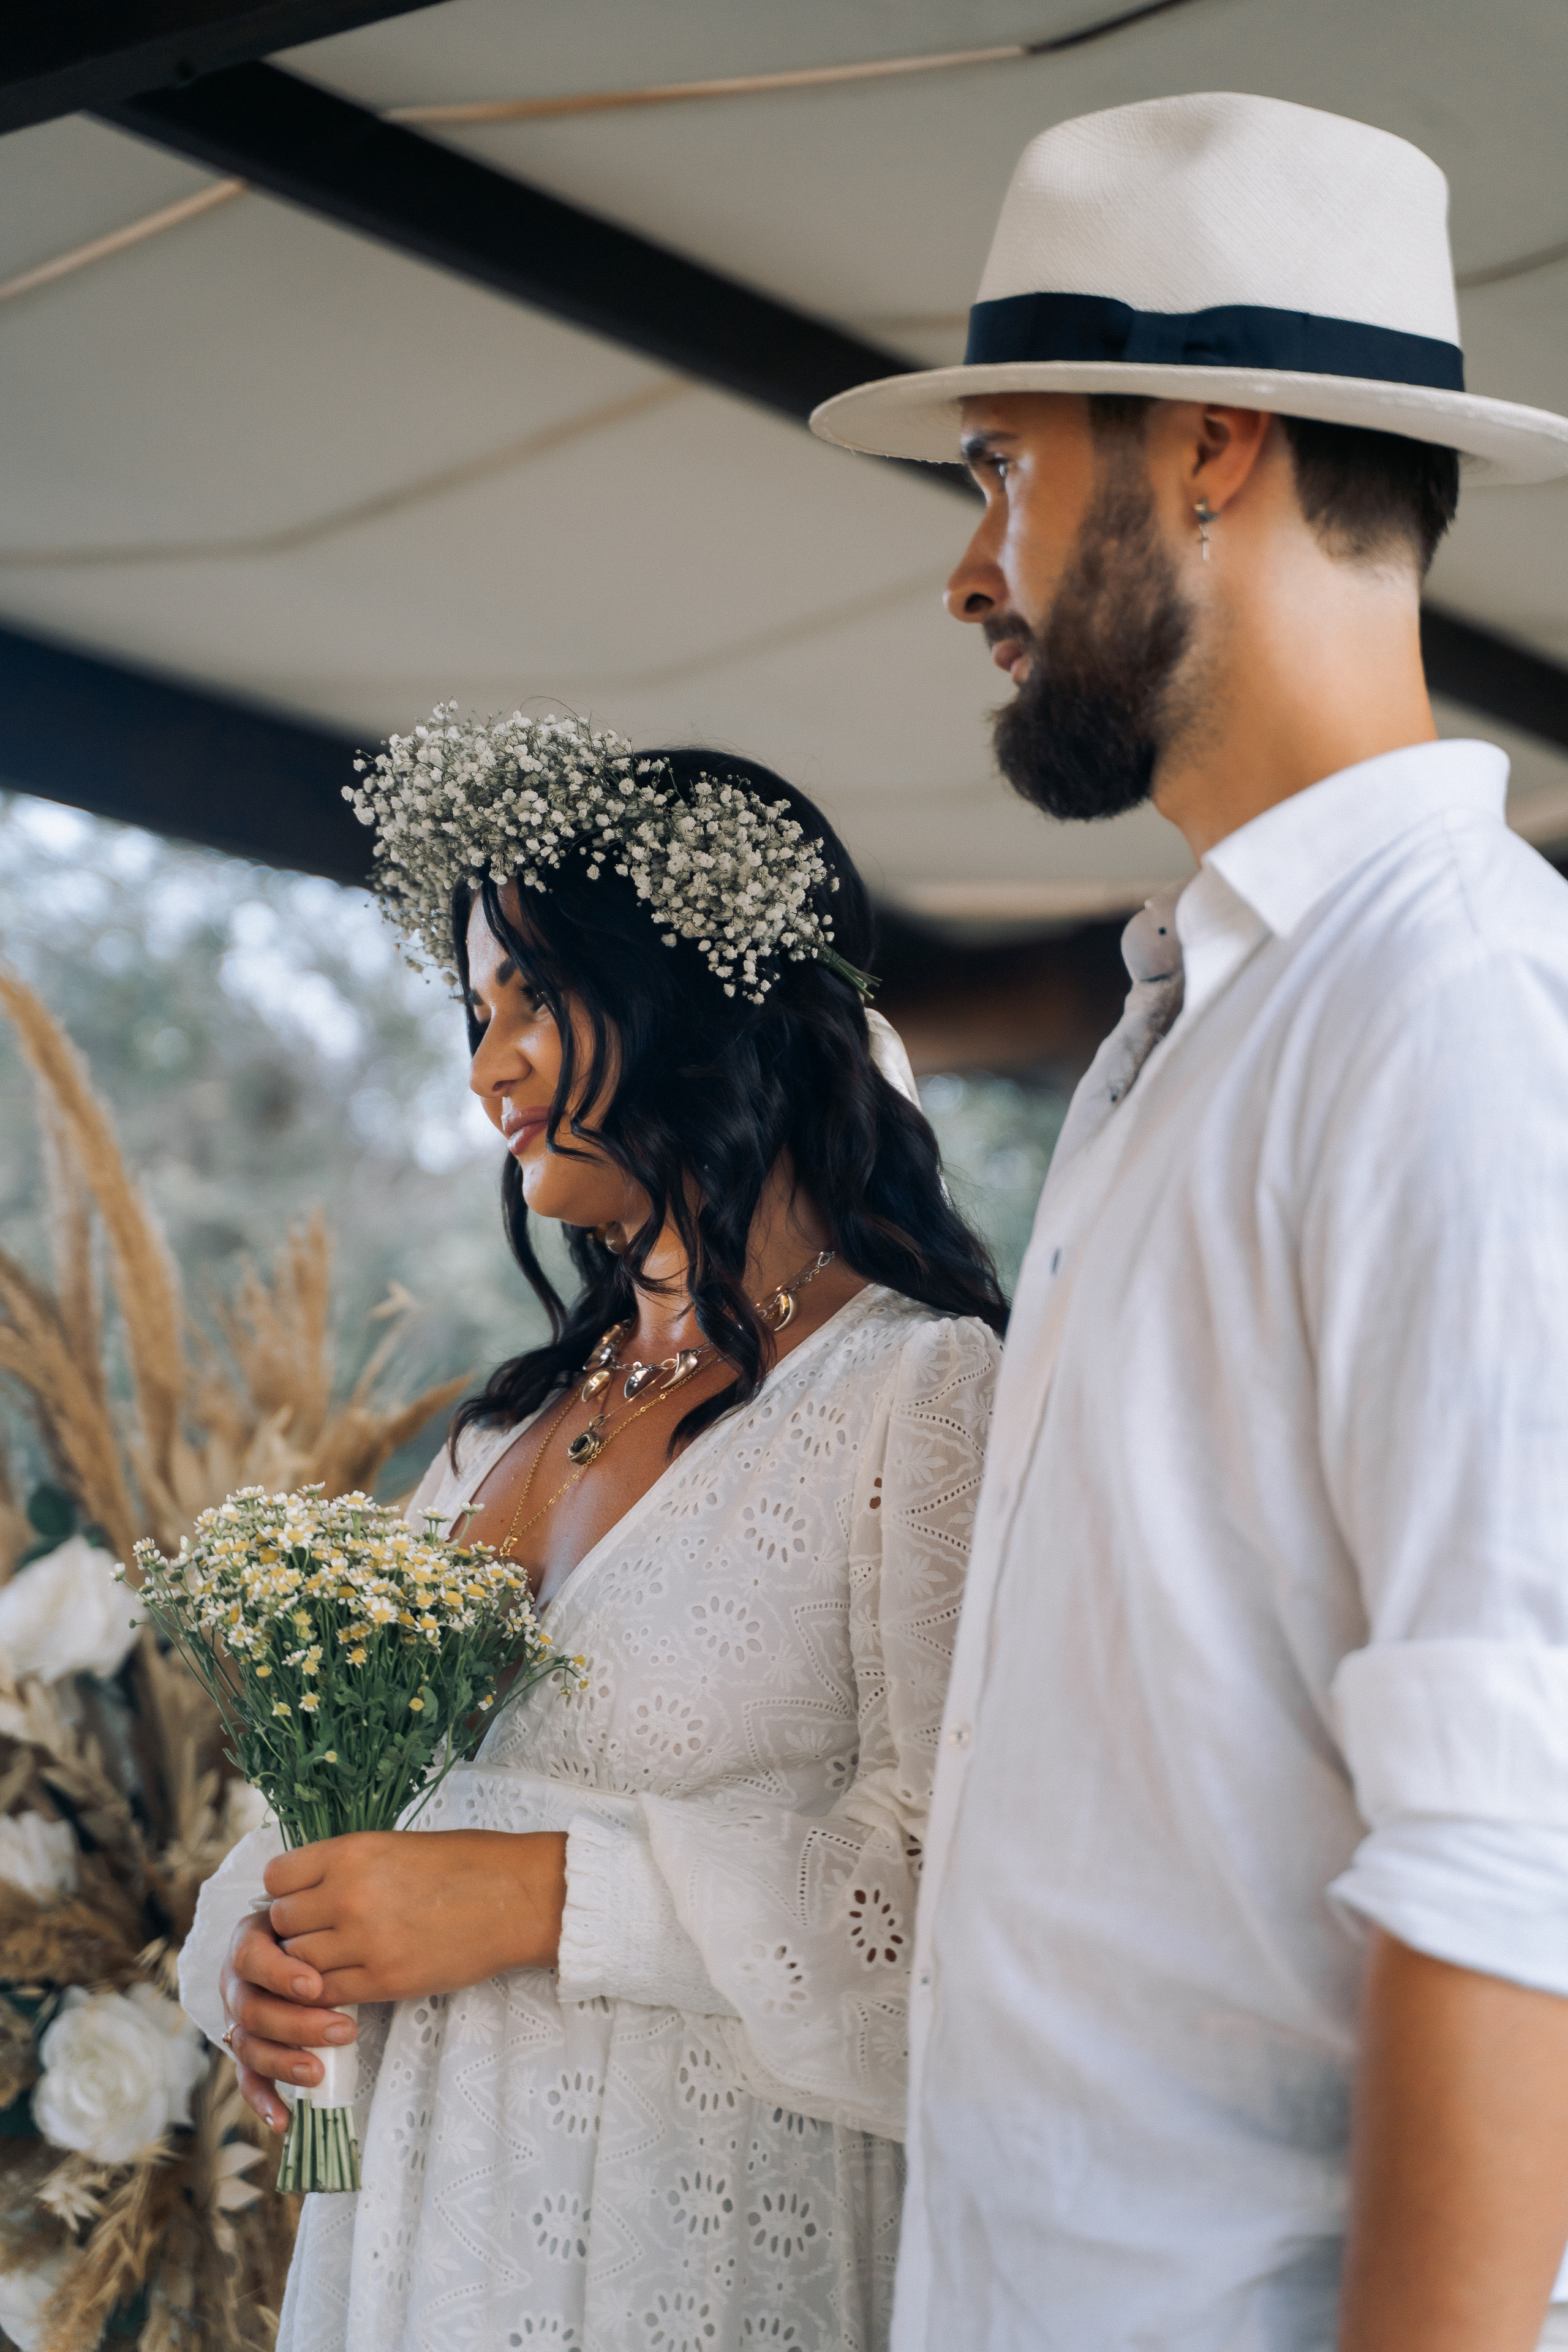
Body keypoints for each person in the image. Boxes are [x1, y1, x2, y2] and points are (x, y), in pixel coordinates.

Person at [811, 89, 1568, 2352]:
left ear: (1211, 447)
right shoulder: (1194, 1022)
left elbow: (1516, 1856)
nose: (972, 570)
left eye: (1005, 471)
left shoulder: (1453, 1010)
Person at [178, 722, 1005, 2352]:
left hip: (685, 2261)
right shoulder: (498, 1431)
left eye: (536, 1000)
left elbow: (957, 1898)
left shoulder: (921, 1385)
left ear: (704, 988)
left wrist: (549, 1899)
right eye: (477, 1015)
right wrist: (247, 1956)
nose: (489, 1068)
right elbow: (323, 1796)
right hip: (401, 2250)